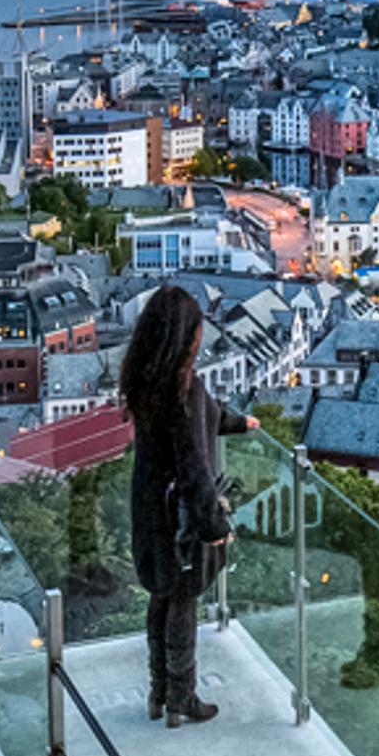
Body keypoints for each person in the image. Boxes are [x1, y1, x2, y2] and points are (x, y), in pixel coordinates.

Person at [122, 285, 253, 726]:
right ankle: (183, 695)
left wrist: (236, 423)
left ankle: (159, 692)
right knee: (183, 602)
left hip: (149, 508)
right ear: (187, 337)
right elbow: (195, 464)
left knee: (161, 596)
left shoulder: (146, 381)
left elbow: (205, 420)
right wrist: (214, 525)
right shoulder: (184, 389)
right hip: (179, 517)